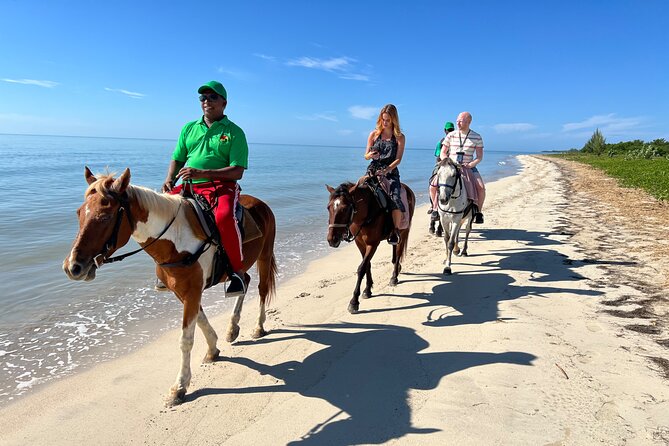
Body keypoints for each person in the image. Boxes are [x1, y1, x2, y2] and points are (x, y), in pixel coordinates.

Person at [158, 80, 249, 297]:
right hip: (188, 185)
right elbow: (177, 158)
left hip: (222, 187)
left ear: (224, 103)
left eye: (212, 97)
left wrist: (202, 174)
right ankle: (163, 270)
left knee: (225, 218)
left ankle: (237, 272)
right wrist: (169, 178)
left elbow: (237, 171)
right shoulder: (189, 128)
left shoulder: (234, 132)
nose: (206, 101)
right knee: (157, 213)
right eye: (203, 98)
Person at [364, 104, 406, 245]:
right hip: (373, 170)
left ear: (394, 119)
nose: (385, 122)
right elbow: (365, 156)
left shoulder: (399, 137)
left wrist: (387, 169)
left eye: (388, 120)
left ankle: (395, 231)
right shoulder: (374, 134)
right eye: (383, 119)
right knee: (357, 192)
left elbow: (398, 159)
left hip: (390, 172)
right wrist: (370, 155)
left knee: (395, 199)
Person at [440, 111, 486, 224]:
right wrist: (448, 162)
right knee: (433, 184)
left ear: (469, 122)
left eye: (461, 121)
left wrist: (471, 165)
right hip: (451, 166)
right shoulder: (451, 135)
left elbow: (479, 157)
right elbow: (443, 153)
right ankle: (435, 209)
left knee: (481, 188)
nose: (458, 123)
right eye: (457, 121)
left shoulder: (477, 137)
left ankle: (478, 212)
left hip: (468, 167)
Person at [428, 121, 455, 235]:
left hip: (453, 166)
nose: (449, 132)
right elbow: (438, 155)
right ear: (445, 131)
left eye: (451, 130)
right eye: (448, 130)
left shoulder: (456, 142)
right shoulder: (441, 142)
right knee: (433, 184)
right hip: (441, 165)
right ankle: (433, 207)